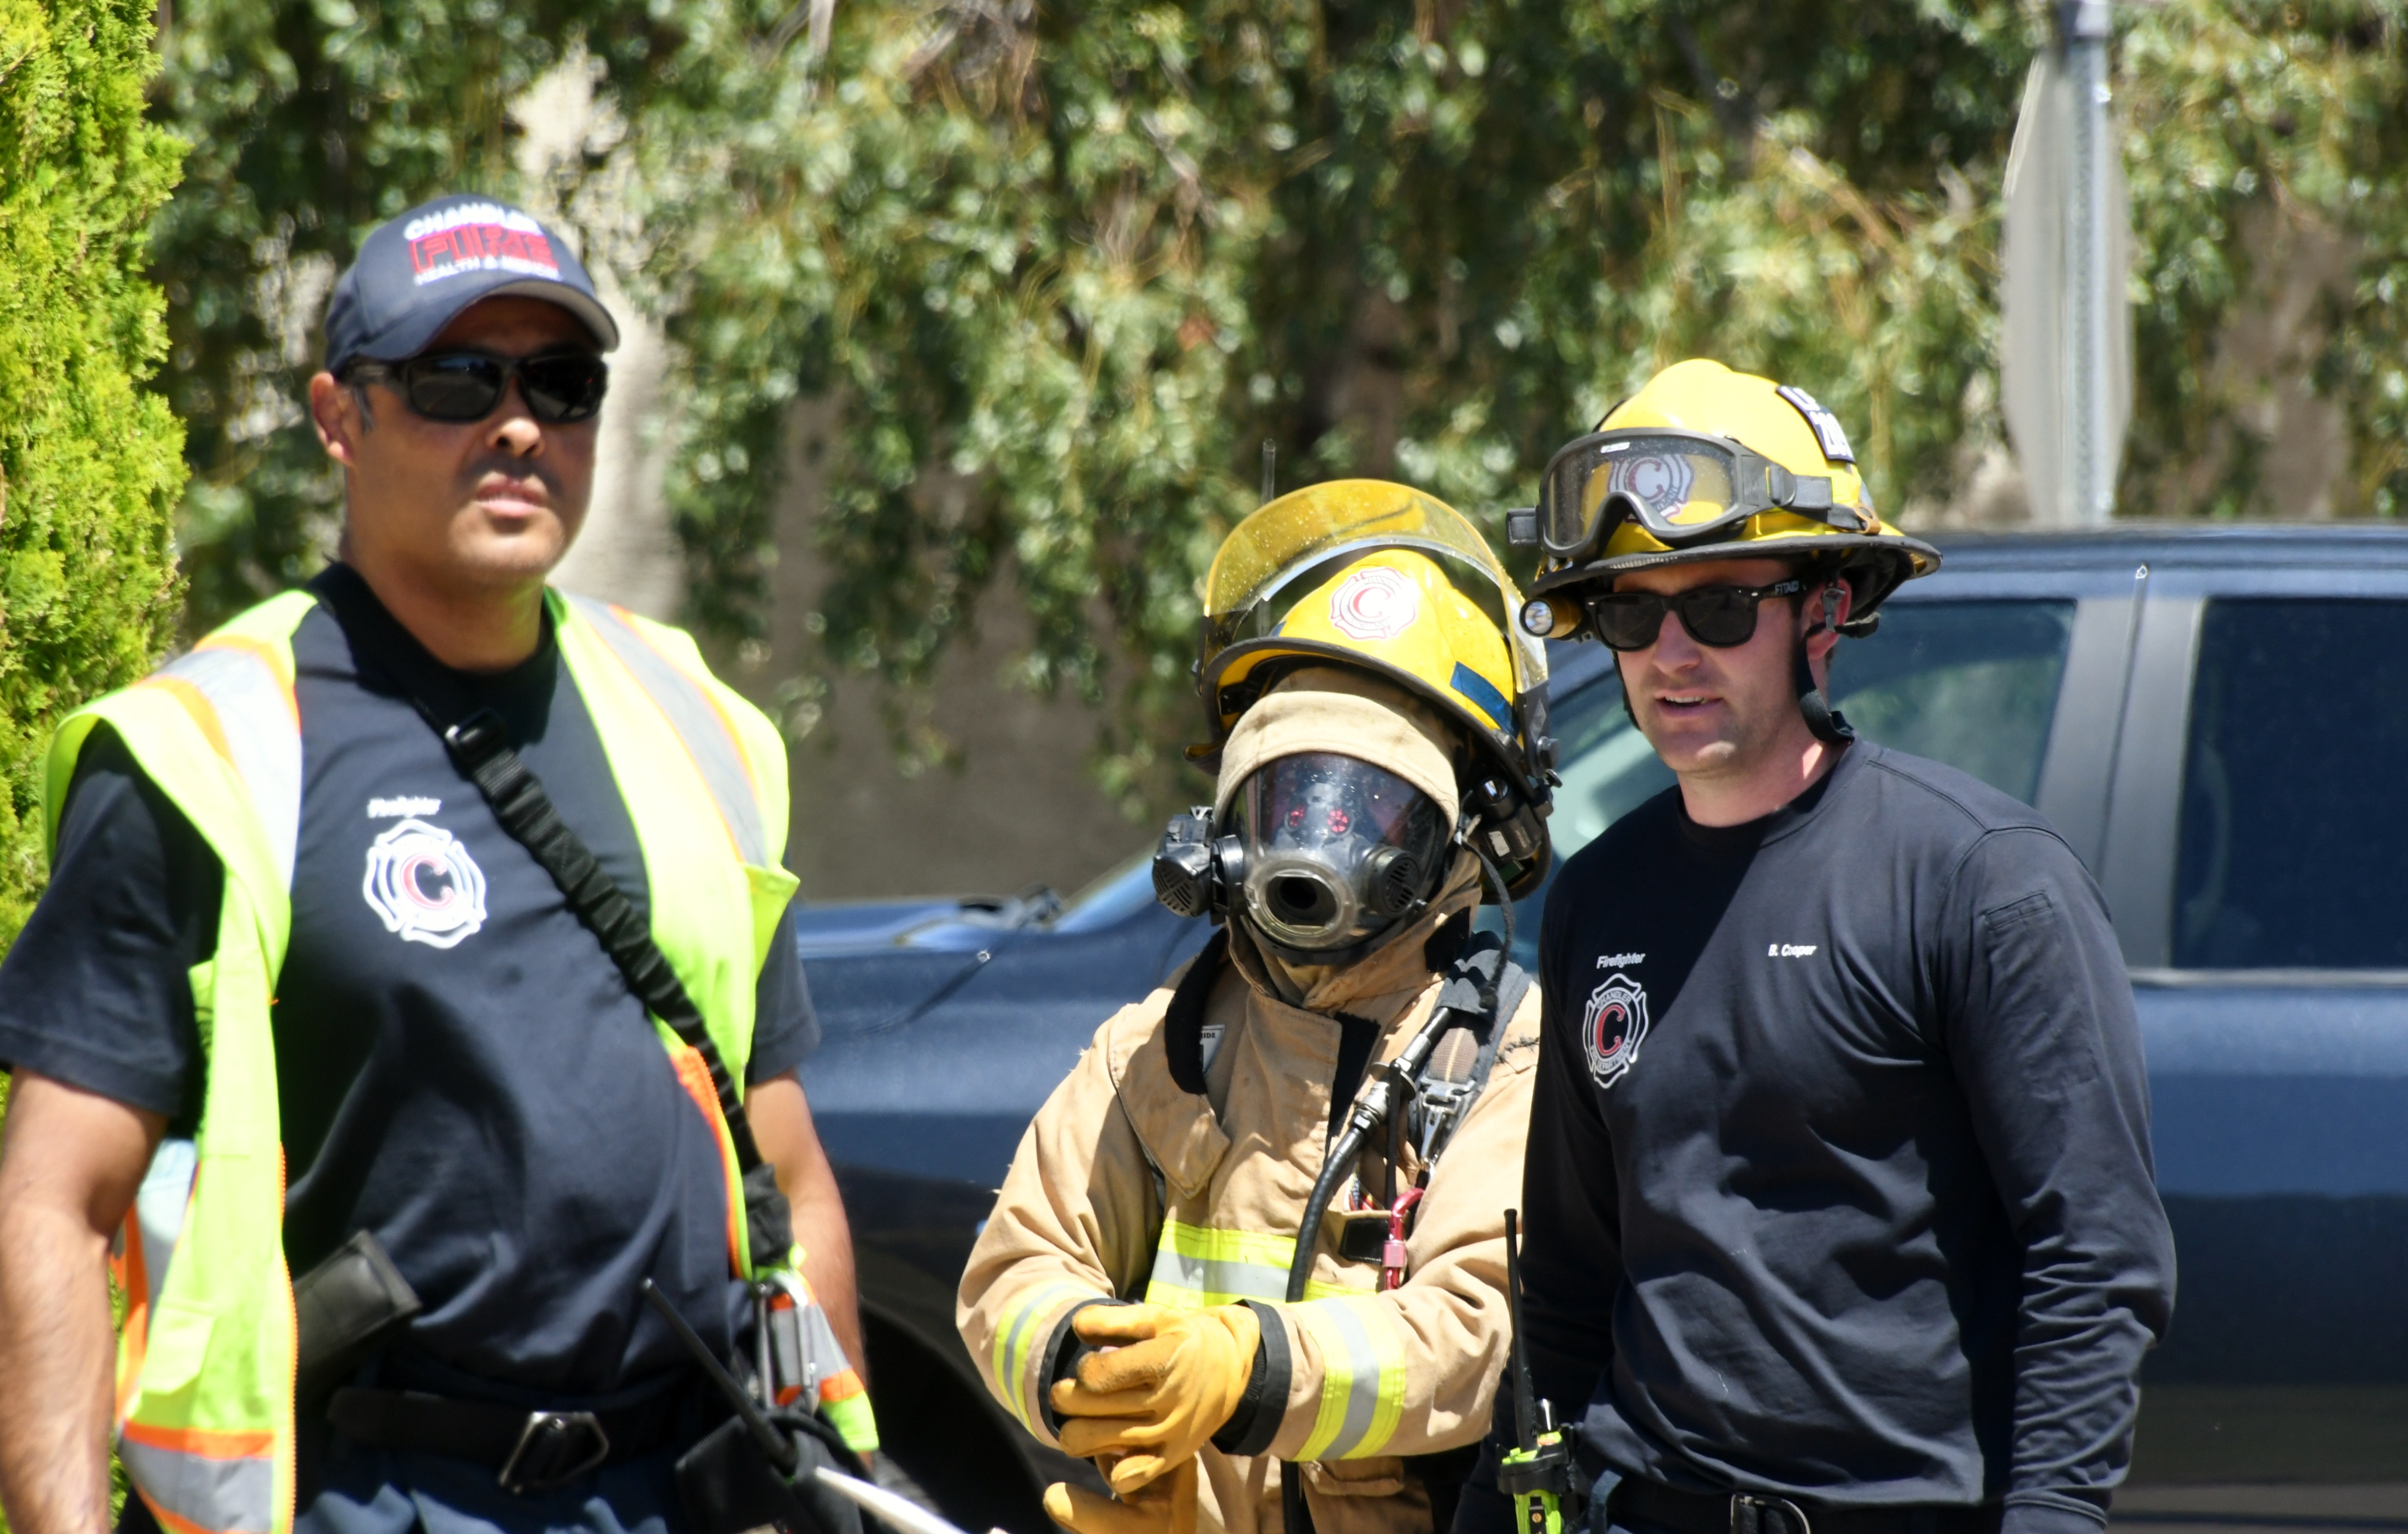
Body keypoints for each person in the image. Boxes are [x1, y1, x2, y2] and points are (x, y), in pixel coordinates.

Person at [0, 193, 875, 1534]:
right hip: (381, 1493)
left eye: (560, 384)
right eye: (457, 380)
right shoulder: (213, 747)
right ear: (339, 417)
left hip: (684, 1487)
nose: (518, 425)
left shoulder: (696, 720)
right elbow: (55, 1200)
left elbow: (788, 1169)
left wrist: (838, 1485)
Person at [1464, 359, 2175, 1534]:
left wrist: (2053, 1515)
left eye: (1720, 607)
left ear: (1826, 611)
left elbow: (2094, 1258)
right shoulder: (1598, 899)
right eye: (1632, 613)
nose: (1670, 652)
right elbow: (1570, 1280)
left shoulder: (1981, 883)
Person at [958, 482, 1560, 1534]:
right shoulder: (1158, 1049)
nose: (1316, 850)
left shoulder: (1505, 1057)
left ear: (1462, 841)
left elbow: (1474, 1333)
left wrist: (1247, 1367)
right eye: (1291, 799)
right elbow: (1016, 1270)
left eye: (1370, 811)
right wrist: (1089, 1373)